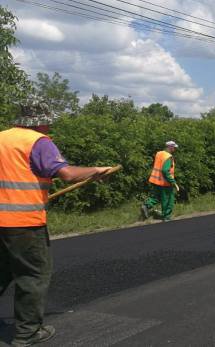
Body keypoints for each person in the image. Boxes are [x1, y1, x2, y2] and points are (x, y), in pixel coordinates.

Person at [0, 101, 111, 346]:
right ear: (40, 120)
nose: (50, 125)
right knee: (33, 275)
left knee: (3, 271)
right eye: (48, 120)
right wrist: (96, 170)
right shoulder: (38, 142)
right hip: (23, 223)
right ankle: (27, 334)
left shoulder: (2, 138)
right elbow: (67, 174)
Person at [141, 141, 179, 222]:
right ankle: (166, 217)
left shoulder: (159, 153)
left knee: (156, 197)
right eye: (174, 147)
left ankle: (146, 206)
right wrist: (173, 182)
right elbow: (165, 170)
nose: (175, 149)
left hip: (156, 180)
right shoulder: (168, 157)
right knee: (168, 199)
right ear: (170, 147)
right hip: (165, 183)